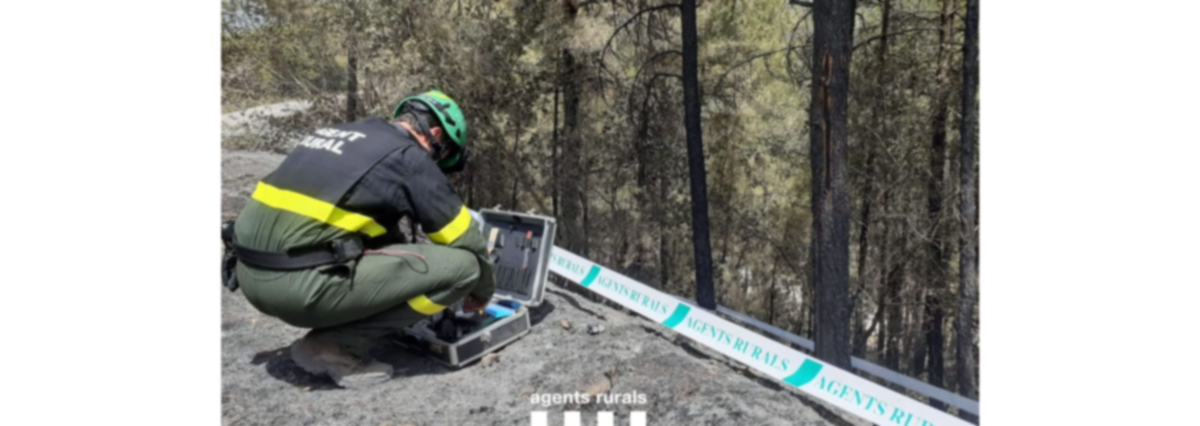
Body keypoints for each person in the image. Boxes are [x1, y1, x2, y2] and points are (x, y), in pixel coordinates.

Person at [227, 90, 494, 388]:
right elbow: (464, 239)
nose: (437, 164)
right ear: (435, 135)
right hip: (296, 291)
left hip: (249, 276)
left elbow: (373, 233)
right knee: (465, 268)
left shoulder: (341, 134)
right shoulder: (409, 157)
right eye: (443, 155)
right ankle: (334, 346)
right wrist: (483, 291)